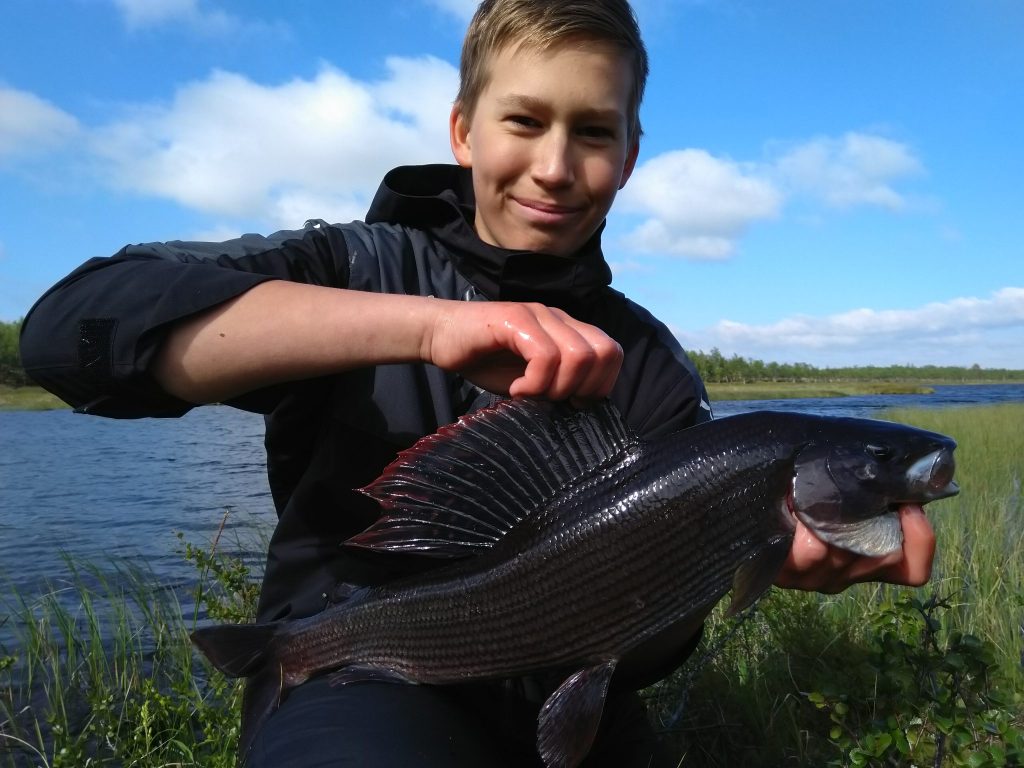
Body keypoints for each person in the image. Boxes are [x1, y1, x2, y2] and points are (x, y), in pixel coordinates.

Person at [19, 0, 936, 765]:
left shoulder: (652, 368)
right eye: (524, 122)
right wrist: (427, 327)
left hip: (569, 692)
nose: (554, 167)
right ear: (463, 131)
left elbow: (646, 654)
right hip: (357, 669)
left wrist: (738, 556)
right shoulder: (354, 269)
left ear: (630, 155)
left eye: (593, 132)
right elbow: (70, 335)